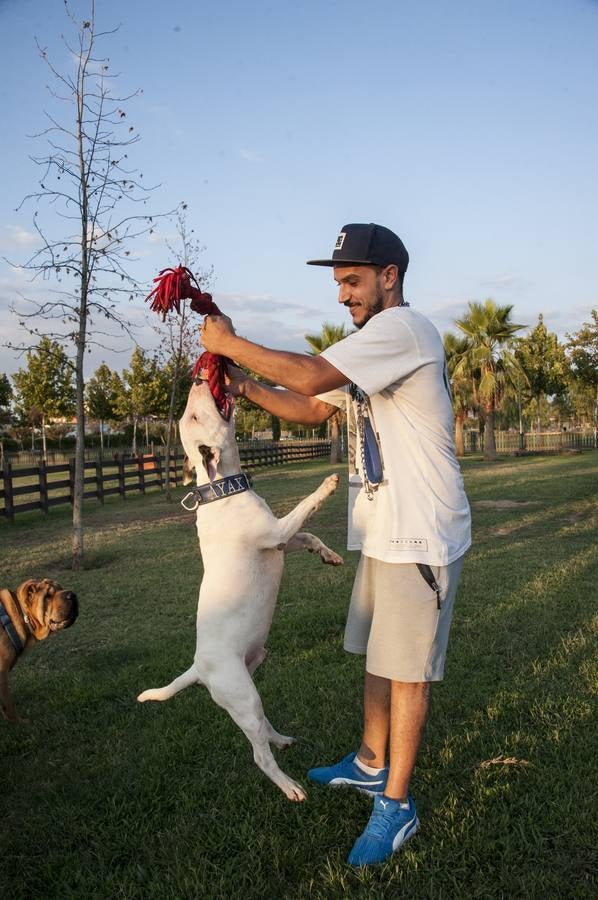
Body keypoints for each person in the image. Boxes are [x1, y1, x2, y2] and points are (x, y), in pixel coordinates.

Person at [200, 222, 471, 867]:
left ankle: (396, 806)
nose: (343, 294)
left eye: (352, 280)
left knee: (406, 673)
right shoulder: (372, 345)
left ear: (390, 277)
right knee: (379, 655)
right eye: (339, 283)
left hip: (420, 534)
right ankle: (369, 762)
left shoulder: (402, 331)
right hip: (384, 532)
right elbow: (314, 404)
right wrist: (239, 384)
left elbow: (311, 372)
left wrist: (229, 342)